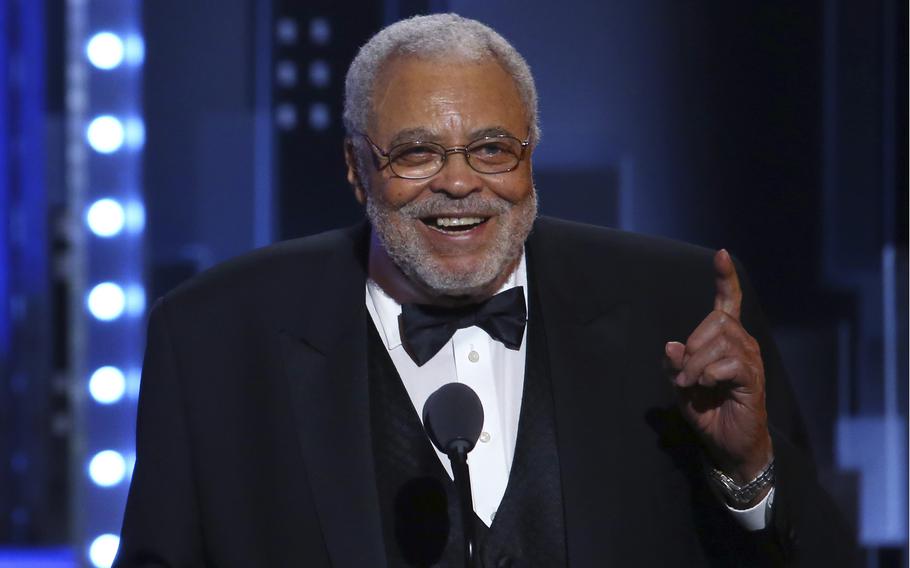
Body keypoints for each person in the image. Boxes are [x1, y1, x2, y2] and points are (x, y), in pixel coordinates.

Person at [114, 13, 856, 567]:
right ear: (354, 168)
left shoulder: (683, 304)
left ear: (531, 153)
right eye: (415, 152)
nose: (460, 181)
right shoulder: (214, 338)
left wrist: (748, 471)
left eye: (493, 148)